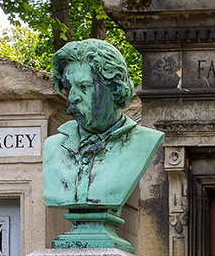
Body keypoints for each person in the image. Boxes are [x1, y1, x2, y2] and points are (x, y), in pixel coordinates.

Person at [42, 39, 164, 212]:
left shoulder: (144, 142)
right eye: (69, 87)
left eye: (84, 86)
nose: (73, 97)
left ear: (115, 89)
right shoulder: (53, 147)